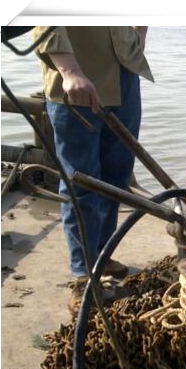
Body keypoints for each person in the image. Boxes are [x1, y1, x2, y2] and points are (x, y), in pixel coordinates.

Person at [32, 26, 154, 313]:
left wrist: (139, 32)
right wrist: (69, 71)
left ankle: (101, 254)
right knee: (83, 184)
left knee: (117, 177)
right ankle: (83, 274)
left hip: (124, 71)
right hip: (77, 78)